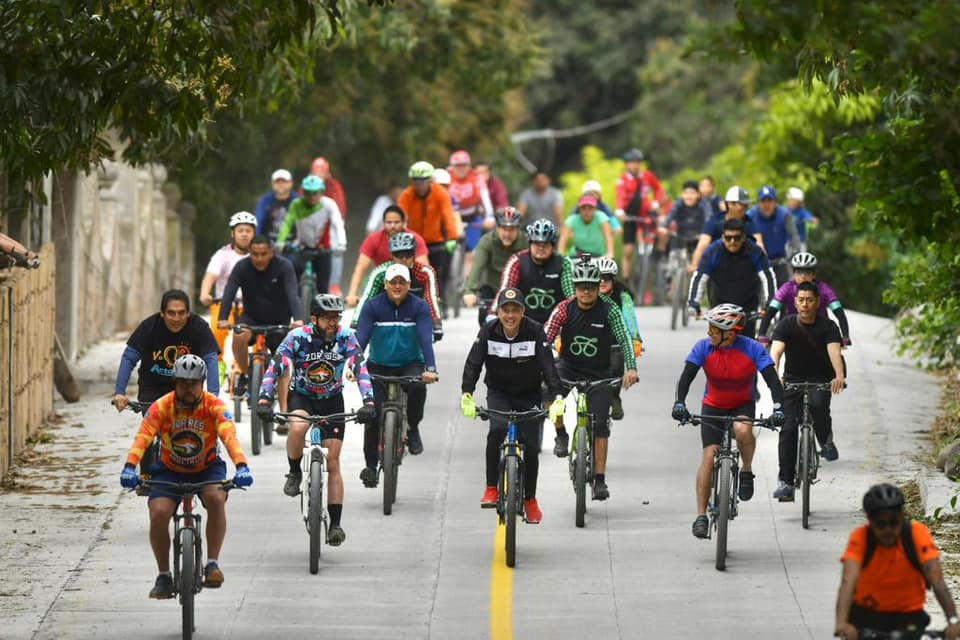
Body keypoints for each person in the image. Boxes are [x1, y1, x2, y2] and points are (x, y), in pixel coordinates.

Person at [119, 354, 253, 599]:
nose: (188, 389)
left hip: (207, 468)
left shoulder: (215, 406)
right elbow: (144, 436)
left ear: (202, 383)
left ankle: (212, 563)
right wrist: (130, 467)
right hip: (169, 469)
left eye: (193, 384)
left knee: (216, 498)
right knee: (158, 513)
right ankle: (163, 575)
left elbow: (229, 437)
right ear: (175, 383)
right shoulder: (162, 406)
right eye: (183, 383)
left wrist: (242, 466)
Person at [255, 294, 376, 546]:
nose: (333, 323)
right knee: (298, 426)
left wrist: (369, 402)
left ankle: (335, 525)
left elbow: (360, 367)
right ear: (314, 319)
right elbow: (276, 366)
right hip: (303, 397)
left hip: (332, 400)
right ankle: (294, 471)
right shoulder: (297, 337)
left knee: (333, 462)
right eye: (327, 318)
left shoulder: (346, 337)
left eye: (336, 318)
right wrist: (264, 399)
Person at [671, 304, 785, 539]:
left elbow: (773, 381)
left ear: (730, 333)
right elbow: (686, 378)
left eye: (714, 329)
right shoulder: (703, 347)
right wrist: (679, 403)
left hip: (742, 404)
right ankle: (701, 516)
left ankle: (746, 470)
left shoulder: (752, 348)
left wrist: (778, 407)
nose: (709, 333)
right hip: (713, 405)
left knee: (743, 430)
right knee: (708, 456)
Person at [460, 287, 566, 523]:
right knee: (496, 431)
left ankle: (530, 500)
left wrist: (558, 396)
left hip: (528, 394)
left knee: (531, 445)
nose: (510, 315)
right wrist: (467, 393)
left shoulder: (535, 331)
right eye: (505, 310)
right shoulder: (488, 331)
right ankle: (491, 488)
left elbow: (548, 366)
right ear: (498, 312)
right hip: (499, 392)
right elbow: (473, 363)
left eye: (515, 310)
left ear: (523, 312)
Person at [543, 260, 639, 501]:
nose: (586, 291)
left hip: (599, 373)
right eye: (581, 286)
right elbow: (545, 338)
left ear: (598, 287)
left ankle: (599, 479)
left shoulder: (610, 309)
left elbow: (625, 339)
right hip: (568, 367)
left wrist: (631, 368)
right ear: (574, 287)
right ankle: (561, 434)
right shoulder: (564, 308)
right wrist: (539, 365)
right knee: (547, 393)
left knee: (601, 425)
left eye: (591, 286)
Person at [835, 484, 960, 639]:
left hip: (909, 619)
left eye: (894, 523)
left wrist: (953, 621)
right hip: (866, 619)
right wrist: (842, 623)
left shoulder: (916, 535)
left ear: (902, 517)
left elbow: (937, 580)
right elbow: (848, 581)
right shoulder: (861, 538)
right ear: (870, 521)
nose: (888, 530)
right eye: (881, 525)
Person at [355, 264, 439, 483]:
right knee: (372, 414)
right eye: (393, 282)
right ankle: (370, 466)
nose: (397, 286)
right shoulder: (372, 307)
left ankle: (413, 428)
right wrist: (355, 366)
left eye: (402, 282)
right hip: (378, 365)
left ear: (409, 285)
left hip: (410, 363)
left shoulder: (419, 307)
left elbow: (425, 338)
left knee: (418, 387)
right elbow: (361, 339)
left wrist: (430, 369)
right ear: (385, 285)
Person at [767, 281, 846, 499]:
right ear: (795, 302)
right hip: (792, 380)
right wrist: (775, 375)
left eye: (809, 300)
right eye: (801, 300)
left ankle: (825, 439)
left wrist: (839, 376)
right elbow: (776, 353)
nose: (805, 304)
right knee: (788, 427)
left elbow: (835, 353)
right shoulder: (785, 325)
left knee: (818, 406)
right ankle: (785, 481)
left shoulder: (828, 327)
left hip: (820, 379)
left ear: (817, 302)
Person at [114, 290, 220, 420]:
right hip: (152, 388)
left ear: (188, 313)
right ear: (162, 313)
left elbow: (211, 359)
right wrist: (120, 392)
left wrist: (213, 396)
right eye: (171, 313)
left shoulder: (199, 327)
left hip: (188, 388)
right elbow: (129, 358)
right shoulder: (149, 327)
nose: (176, 319)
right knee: (154, 425)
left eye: (181, 313)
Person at [217, 235, 303, 395]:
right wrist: (222, 318)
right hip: (251, 318)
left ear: (271, 252)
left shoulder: (284, 266)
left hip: (279, 320)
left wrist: (298, 319)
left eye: (263, 254)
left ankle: (284, 402)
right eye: (255, 254)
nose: (259, 259)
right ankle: (246, 374)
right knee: (239, 335)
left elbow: (293, 294)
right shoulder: (242, 267)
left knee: (282, 361)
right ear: (250, 253)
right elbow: (229, 292)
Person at [687, 218, 776, 339]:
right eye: (728, 238)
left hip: (747, 307)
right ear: (723, 237)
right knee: (718, 342)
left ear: (744, 237)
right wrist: (693, 303)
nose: (732, 242)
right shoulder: (713, 251)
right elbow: (700, 277)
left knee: (747, 344)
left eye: (737, 238)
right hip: (719, 304)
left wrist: (770, 303)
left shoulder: (754, 251)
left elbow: (767, 277)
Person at [351, 232, 443, 342]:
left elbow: (431, 298)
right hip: (386, 320)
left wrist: (436, 324)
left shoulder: (425, 272)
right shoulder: (380, 272)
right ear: (392, 256)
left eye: (408, 254)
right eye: (399, 255)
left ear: (414, 254)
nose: (404, 259)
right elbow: (367, 298)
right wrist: (355, 324)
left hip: (414, 320)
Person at [199, 211, 257, 382]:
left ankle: (258, 365)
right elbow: (210, 276)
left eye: (248, 231)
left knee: (261, 335)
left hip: (251, 305)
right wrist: (204, 293)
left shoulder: (259, 254)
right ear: (233, 233)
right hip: (224, 303)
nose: (244, 234)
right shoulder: (222, 254)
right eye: (240, 231)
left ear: (254, 233)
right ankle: (218, 365)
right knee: (216, 331)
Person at [397, 161, 459, 316]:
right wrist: (399, 236)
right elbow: (400, 217)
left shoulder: (440, 193)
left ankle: (439, 304)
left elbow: (448, 215)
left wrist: (452, 237)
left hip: (435, 241)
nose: (419, 184)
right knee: (412, 273)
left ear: (430, 180)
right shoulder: (407, 195)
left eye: (423, 180)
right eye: (416, 181)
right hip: (414, 242)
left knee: (438, 274)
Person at [757, 252, 852, 346]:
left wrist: (845, 336)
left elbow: (839, 313)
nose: (803, 276)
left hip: (820, 331)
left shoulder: (824, 289)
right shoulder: (786, 288)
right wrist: (761, 334)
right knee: (777, 349)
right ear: (793, 274)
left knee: (834, 352)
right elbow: (771, 311)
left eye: (807, 272)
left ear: (814, 274)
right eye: (799, 272)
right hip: (793, 331)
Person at [346, 205, 429, 307]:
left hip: (410, 285)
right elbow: (360, 268)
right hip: (383, 285)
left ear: (404, 223)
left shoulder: (415, 239)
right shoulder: (373, 240)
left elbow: (424, 269)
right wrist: (352, 293)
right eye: (389, 223)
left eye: (396, 222)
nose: (392, 226)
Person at [495, 218, 573, 325]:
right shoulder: (516, 261)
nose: (541, 248)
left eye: (545, 244)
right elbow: (505, 291)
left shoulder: (564, 262)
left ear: (552, 246)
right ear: (530, 244)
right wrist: (493, 313)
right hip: (523, 322)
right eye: (537, 243)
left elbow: (571, 295)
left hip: (556, 322)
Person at [277, 175, 346, 295]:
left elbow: (338, 223)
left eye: (315, 193)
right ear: (303, 192)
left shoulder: (329, 204)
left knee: (323, 287)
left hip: (323, 248)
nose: (312, 197)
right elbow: (287, 223)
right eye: (308, 193)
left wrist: (342, 243)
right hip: (302, 247)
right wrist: (280, 241)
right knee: (292, 282)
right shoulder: (296, 204)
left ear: (321, 192)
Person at [594, 257, 642, 422]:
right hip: (590, 341)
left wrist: (635, 339)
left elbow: (630, 318)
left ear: (613, 280)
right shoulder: (586, 293)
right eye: (598, 278)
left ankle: (614, 396)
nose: (602, 282)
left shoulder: (623, 296)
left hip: (615, 341)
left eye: (606, 278)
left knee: (616, 363)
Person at [463, 207, 529, 326]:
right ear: (497, 228)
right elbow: (477, 267)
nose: (507, 234)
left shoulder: (526, 242)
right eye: (504, 229)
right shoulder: (487, 241)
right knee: (484, 317)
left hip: (519, 289)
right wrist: (470, 291)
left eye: (512, 230)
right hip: (492, 288)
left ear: (518, 229)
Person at [614, 148, 666, 280]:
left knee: (661, 231)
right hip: (630, 216)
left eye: (637, 162)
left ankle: (659, 258)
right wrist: (619, 210)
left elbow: (659, 189)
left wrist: (656, 202)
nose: (635, 165)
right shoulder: (622, 181)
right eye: (632, 162)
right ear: (626, 164)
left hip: (647, 214)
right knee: (628, 250)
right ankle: (626, 279)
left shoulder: (647, 176)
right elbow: (620, 197)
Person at [688, 186, 764, 273]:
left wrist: (764, 264)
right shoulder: (716, 221)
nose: (745, 208)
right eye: (742, 204)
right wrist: (694, 265)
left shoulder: (749, 222)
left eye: (746, 205)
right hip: (718, 266)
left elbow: (759, 243)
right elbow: (703, 243)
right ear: (730, 204)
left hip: (742, 266)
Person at [448, 150, 495, 280]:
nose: (461, 169)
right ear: (452, 166)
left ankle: (468, 283)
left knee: (471, 254)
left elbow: (485, 198)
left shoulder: (476, 177)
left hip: (472, 217)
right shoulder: (447, 176)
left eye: (464, 165)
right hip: (452, 218)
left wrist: (489, 216)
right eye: (457, 166)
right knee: (447, 251)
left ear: (469, 166)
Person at [747, 185, 801, 286]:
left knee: (784, 292)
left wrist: (796, 257)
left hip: (779, 263)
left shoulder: (785, 215)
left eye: (770, 200)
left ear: (775, 202)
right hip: (758, 265)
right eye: (763, 201)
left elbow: (794, 236)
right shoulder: (750, 216)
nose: (767, 204)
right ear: (758, 203)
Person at [310, 156, 348, 295]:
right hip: (310, 225)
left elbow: (340, 214)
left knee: (336, 245)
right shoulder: (306, 185)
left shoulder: (333, 189)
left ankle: (334, 284)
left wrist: (341, 241)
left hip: (330, 224)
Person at [557, 195, 614, 259]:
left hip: (598, 256)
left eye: (590, 208)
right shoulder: (572, 220)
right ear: (579, 209)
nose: (587, 211)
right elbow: (563, 238)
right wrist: (560, 255)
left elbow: (608, 236)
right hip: (578, 255)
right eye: (583, 208)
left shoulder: (601, 217)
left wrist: (610, 253)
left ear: (595, 209)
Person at [254, 169, 299, 242]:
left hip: (294, 243)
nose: (280, 185)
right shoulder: (265, 201)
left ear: (291, 183)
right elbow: (259, 222)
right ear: (272, 184)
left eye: (284, 181)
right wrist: (258, 240)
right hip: (269, 243)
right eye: (277, 182)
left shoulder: (298, 200)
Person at [784, 187, 818, 251]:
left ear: (799, 202)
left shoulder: (802, 211)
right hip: (789, 241)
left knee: (801, 255)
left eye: (794, 201)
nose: (792, 203)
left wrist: (812, 219)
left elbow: (808, 216)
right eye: (790, 200)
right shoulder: (787, 210)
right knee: (786, 253)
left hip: (800, 241)